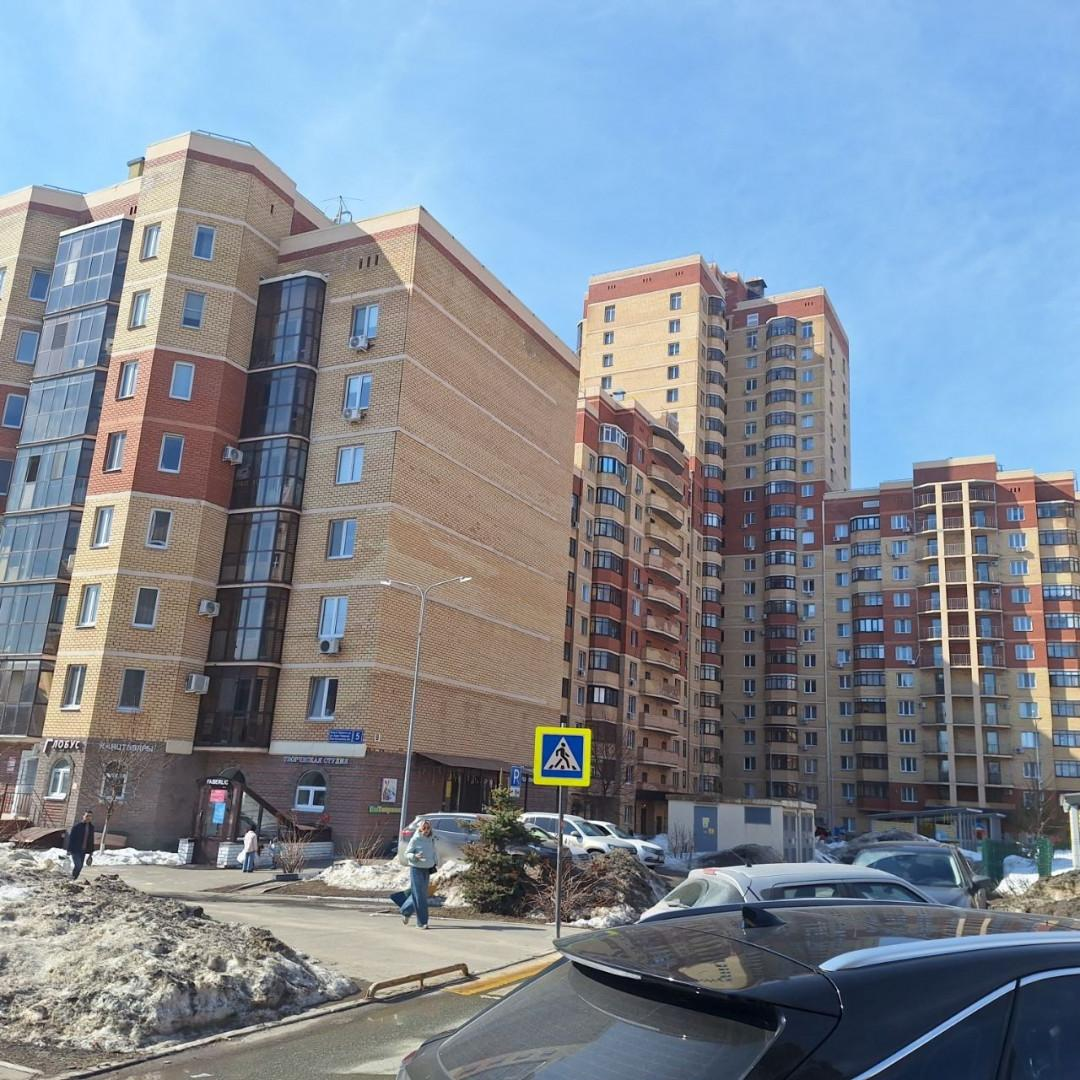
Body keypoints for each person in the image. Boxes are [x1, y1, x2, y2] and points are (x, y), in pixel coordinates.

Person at [393, 820, 437, 929]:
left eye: (428, 828)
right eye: (424, 828)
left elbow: (433, 852)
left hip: (427, 869)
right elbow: (407, 853)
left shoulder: (431, 839)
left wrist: (435, 861)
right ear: (420, 829)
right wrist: (415, 856)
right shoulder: (415, 839)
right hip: (416, 869)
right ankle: (422, 922)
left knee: (421, 894)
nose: (426, 830)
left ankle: (405, 910)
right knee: (420, 897)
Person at [67, 811, 95, 881]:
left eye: (90, 816)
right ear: (83, 816)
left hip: (83, 850)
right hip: (75, 850)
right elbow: (71, 838)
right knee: (78, 865)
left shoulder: (91, 827)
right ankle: (72, 878)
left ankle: (73, 879)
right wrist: (69, 850)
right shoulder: (77, 827)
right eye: (87, 816)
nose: (88, 818)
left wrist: (91, 851)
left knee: (80, 866)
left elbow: (91, 840)